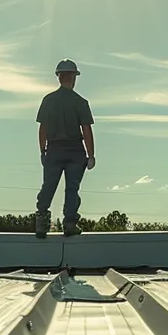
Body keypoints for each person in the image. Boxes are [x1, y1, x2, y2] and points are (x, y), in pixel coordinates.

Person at [35, 59, 95, 238]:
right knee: (72, 188)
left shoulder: (49, 100)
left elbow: (43, 127)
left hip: (54, 149)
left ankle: (42, 223)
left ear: (59, 77)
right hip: (75, 151)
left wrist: (42, 150)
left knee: (49, 186)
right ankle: (69, 224)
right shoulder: (80, 102)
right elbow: (86, 129)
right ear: (73, 77)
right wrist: (91, 155)